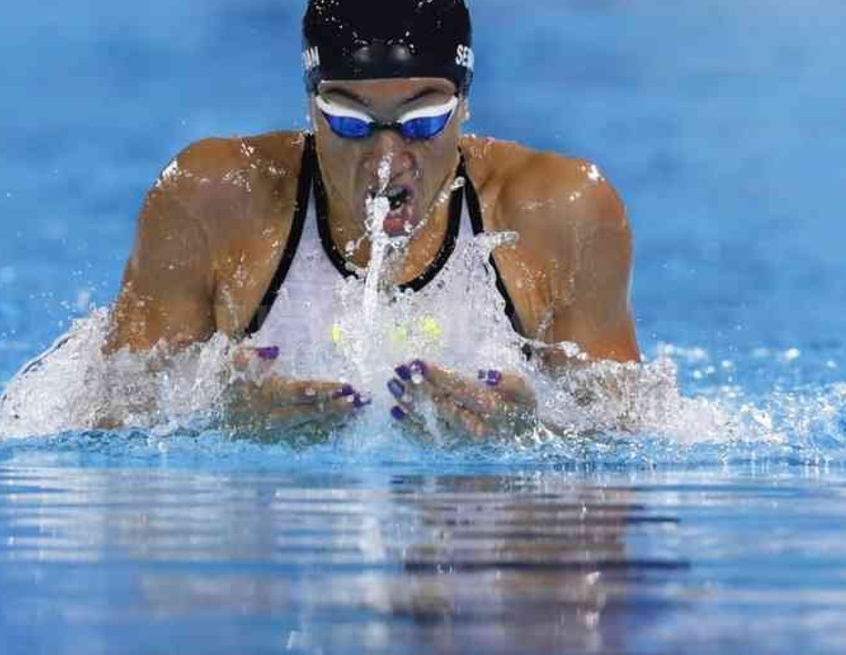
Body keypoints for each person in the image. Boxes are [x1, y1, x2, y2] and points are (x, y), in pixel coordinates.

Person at [100, 0, 639, 439]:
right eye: (351, 121)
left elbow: (629, 439)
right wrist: (219, 423)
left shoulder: (559, 212)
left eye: (422, 121)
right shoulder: (212, 200)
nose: (387, 157)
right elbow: (106, 424)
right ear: (312, 108)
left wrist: (533, 437)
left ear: (465, 105)